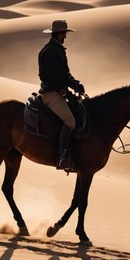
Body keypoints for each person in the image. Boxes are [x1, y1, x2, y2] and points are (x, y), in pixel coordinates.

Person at [38, 19, 85, 171]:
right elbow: (55, 78)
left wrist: (75, 84)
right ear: (59, 34)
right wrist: (70, 87)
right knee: (70, 121)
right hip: (51, 94)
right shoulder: (51, 52)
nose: (65, 37)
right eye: (64, 34)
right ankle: (62, 156)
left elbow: (65, 74)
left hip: (59, 92)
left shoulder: (57, 49)